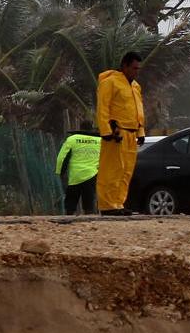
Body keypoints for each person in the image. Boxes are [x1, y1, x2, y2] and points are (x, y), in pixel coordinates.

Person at [94, 51, 145, 213]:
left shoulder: (136, 86)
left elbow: (138, 110)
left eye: (138, 69)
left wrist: (141, 131)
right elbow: (103, 107)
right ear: (124, 66)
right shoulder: (110, 82)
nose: (136, 71)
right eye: (134, 68)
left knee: (126, 171)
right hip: (117, 133)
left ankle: (118, 203)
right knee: (111, 170)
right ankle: (107, 205)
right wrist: (106, 130)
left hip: (131, 133)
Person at [55, 124, 101, 215]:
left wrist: (60, 171)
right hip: (92, 174)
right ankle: (89, 216)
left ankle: (69, 215)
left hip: (75, 175)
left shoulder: (72, 139)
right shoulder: (100, 141)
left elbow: (62, 157)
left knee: (71, 197)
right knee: (89, 197)